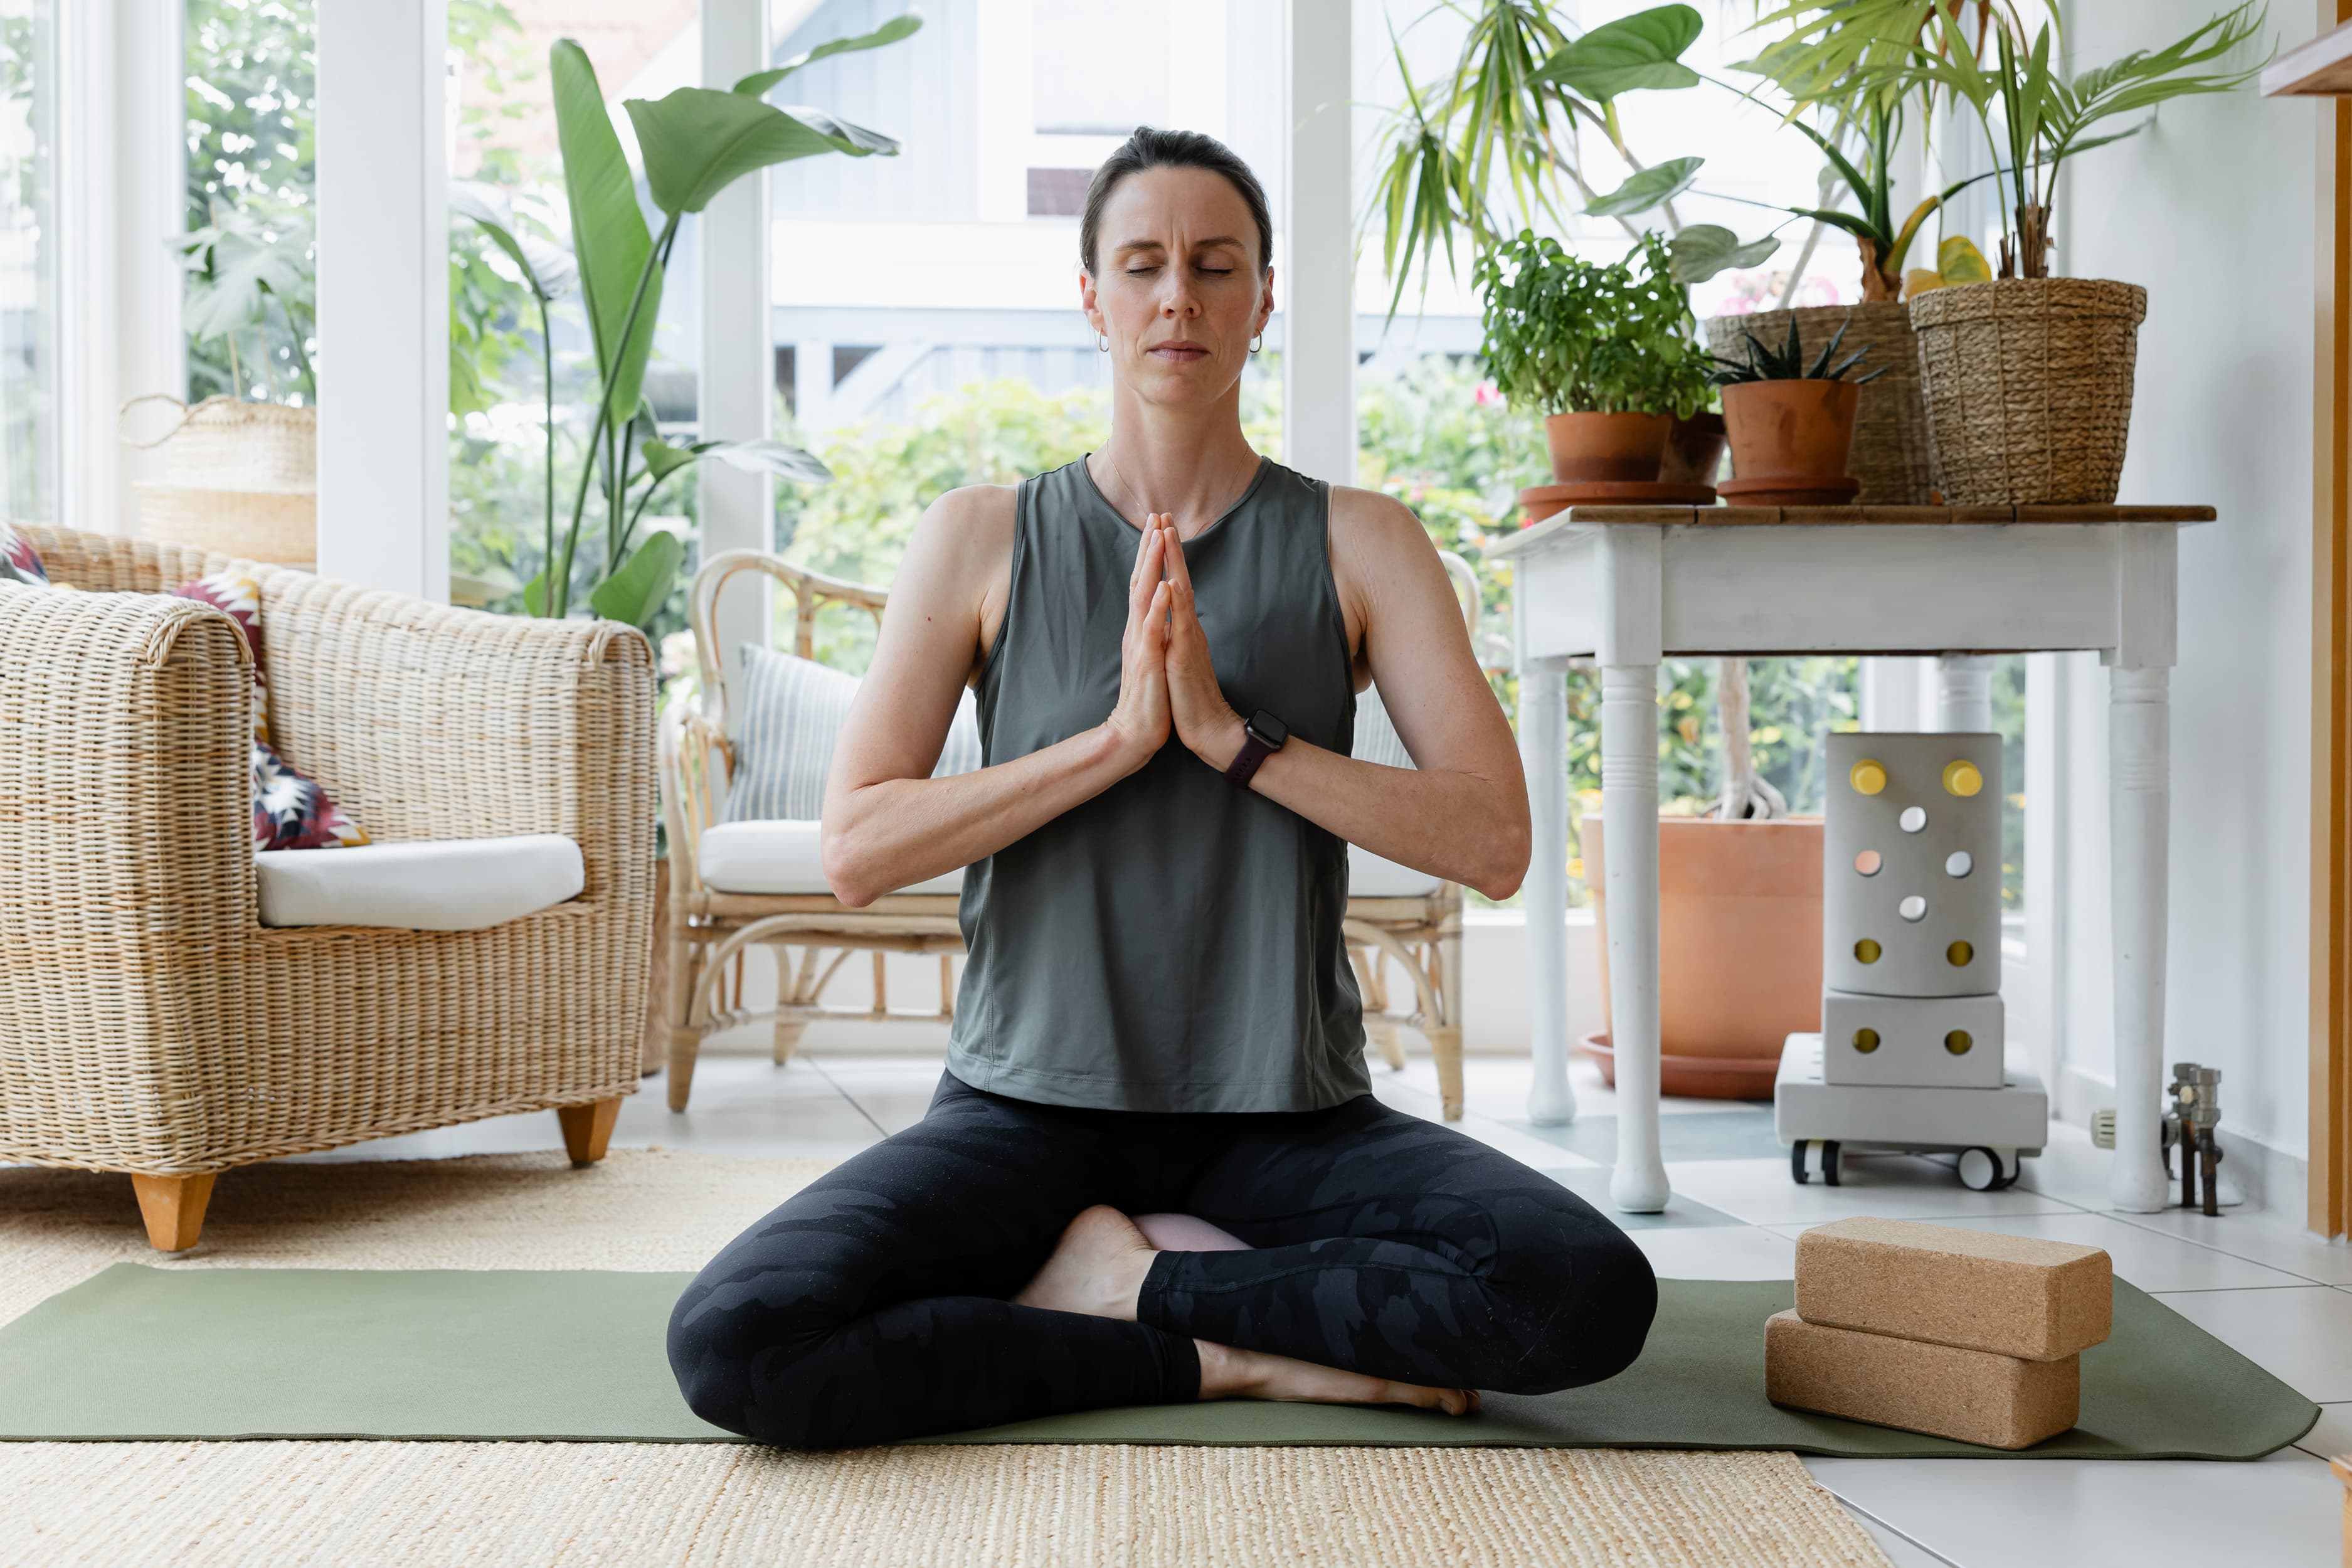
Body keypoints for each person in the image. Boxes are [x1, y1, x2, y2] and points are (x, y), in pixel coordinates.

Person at [667, 126, 1656, 1449]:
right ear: (1093, 297)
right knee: (740, 1338)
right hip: (1024, 1113)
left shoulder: (1364, 541)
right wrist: (1118, 741)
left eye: (1215, 264)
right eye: (1141, 264)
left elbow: (1496, 837)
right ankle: (1222, 1356)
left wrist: (1236, 739)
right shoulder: (980, 534)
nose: (1177, 296)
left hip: (1287, 1117)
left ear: (1262, 299)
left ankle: (1131, 1286)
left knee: (1583, 1293)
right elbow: (856, 844)